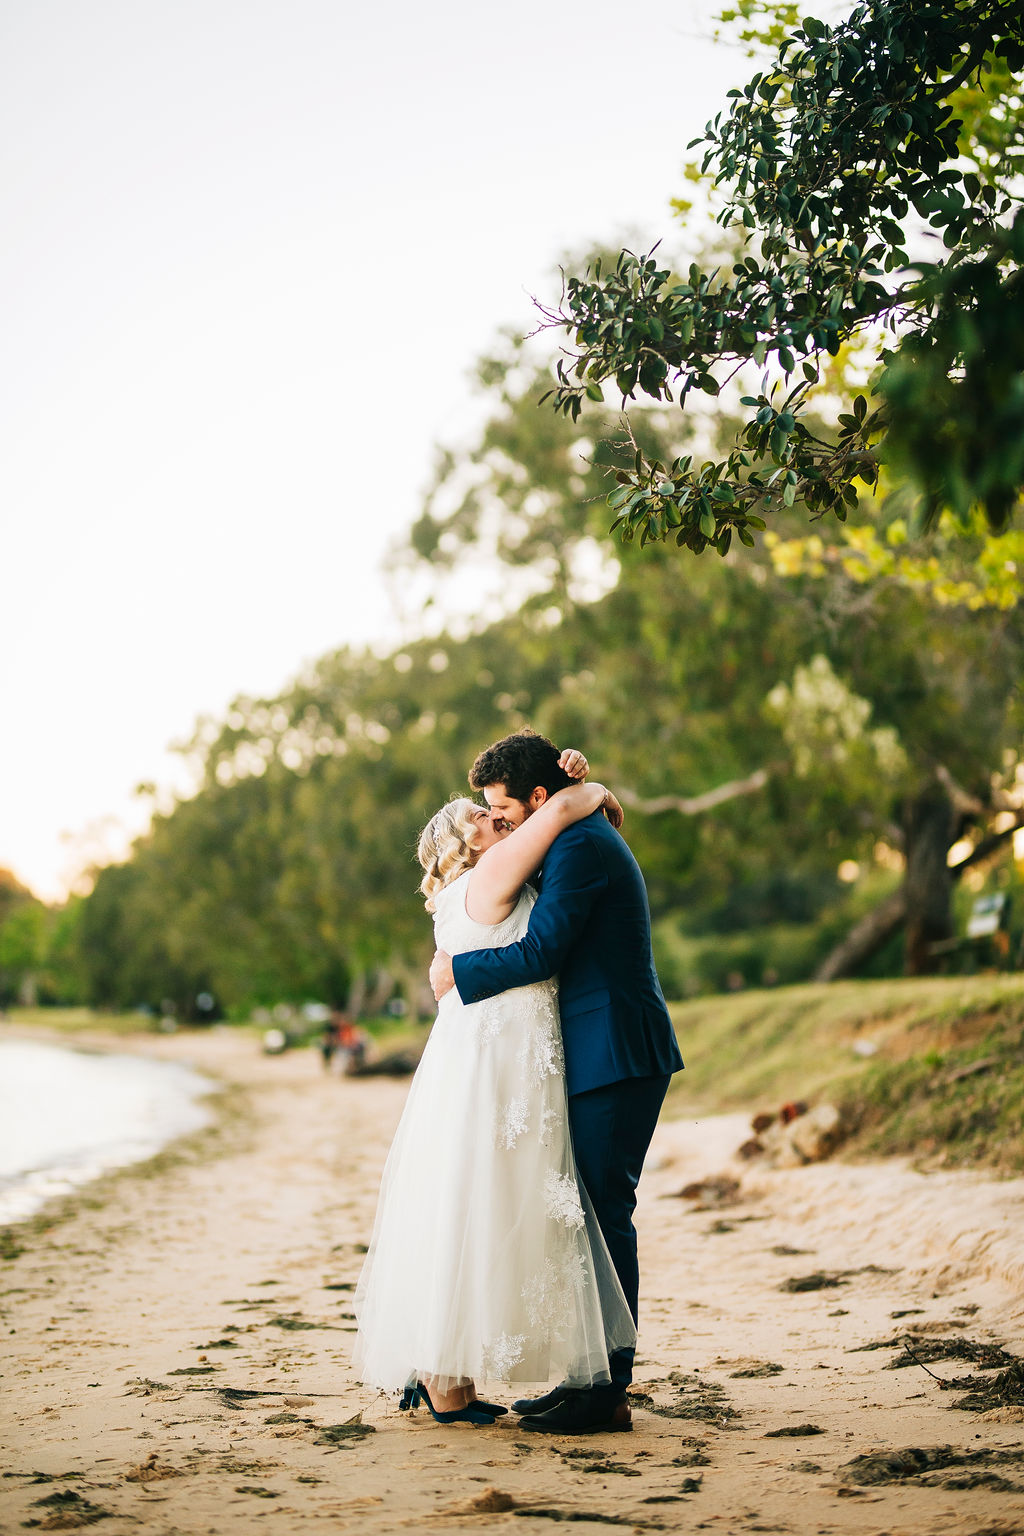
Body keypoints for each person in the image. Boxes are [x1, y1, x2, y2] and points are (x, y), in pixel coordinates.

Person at [353, 761, 637, 1427]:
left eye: (491, 807)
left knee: (468, 1202)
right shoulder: (493, 872)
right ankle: (446, 1380)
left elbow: (568, 830)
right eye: (479, 815)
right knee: (481, 1202)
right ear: (468, 841)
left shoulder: (473, 885)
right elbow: (560, 812)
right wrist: (592, 788)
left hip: (491, 1054)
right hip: (498, 1058)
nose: (492, 817)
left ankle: (446, 1377)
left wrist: (588, 788)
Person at [429, 729, 684, 1435]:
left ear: (539, 798)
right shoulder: (569, 833)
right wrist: (589, 790)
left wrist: (457, 973)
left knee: (604, 1215)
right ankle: (587, 1377)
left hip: (616, 1050)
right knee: (588, 1215)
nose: (501, 822)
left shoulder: (578, 846)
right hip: (601, 1048)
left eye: (504, 810)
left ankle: (606, 1392)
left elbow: (543, 950)